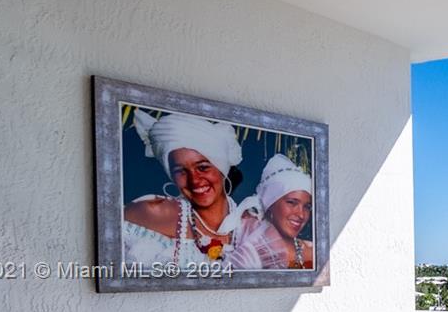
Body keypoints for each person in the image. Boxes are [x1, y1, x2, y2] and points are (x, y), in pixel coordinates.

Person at [121, 110, 245, 271]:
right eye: (180, 170)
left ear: (222, 169)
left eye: (202, 167)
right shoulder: (151, 212)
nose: (194, 180)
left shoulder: (252, 225)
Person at [228, 153, 315, 271]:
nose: (301, 214)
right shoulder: (249, 251)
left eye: (307, 206)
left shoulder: (314, 250)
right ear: (269, 205)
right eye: (291, 202)